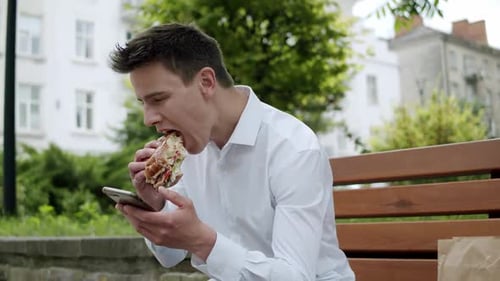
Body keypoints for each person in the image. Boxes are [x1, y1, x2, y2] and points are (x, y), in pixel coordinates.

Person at [109, 23, 355, 281]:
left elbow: (295, 276)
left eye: (158, 99)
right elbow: (169, 257)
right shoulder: (192, 147)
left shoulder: (292, 147)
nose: (148, 119)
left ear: (206, 81)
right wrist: (156, 205)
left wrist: (203, 241)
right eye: (143, 103)